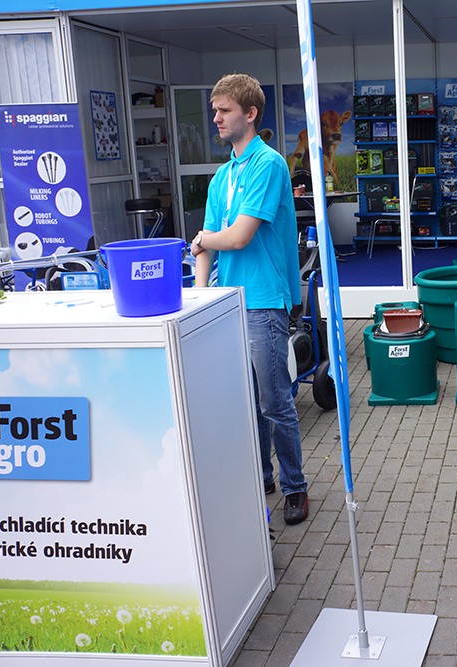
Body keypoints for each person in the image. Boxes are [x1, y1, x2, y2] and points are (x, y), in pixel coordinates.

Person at [192, 73, 309, 525]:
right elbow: (205, 244)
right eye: (215, 111)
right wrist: (200, 297)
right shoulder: (222, 176)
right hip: (227, 301)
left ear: (250, 113)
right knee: (246, 399)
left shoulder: (268, 164)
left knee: (274, 401)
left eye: (225, 110)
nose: (216, 118)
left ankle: (295, 487)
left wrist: (204, 239)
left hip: (262, 300)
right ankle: (262, 477)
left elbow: (237, 237)